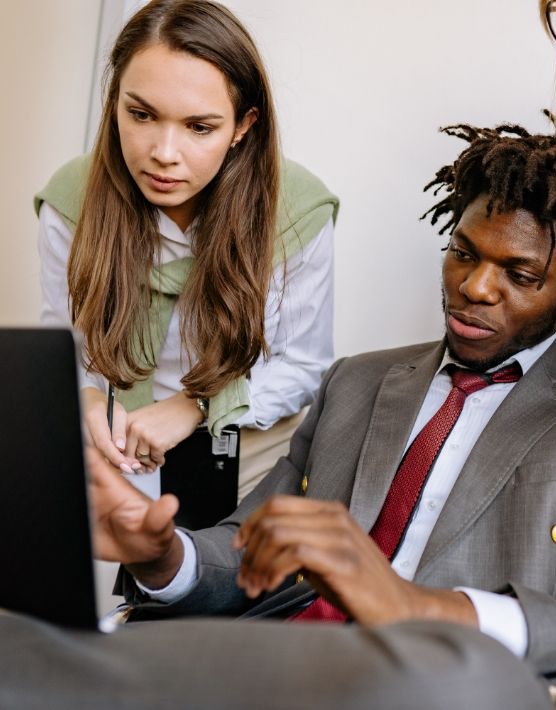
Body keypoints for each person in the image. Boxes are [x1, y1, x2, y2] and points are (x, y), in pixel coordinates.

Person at [84, 114, 556, 684]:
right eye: (464, 254)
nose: (475, 288)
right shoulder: (357, 382)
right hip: (275, 667)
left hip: (436, 686)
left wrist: (427, 608)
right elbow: (251, 549)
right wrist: (165, 557)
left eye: (519, 274)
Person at [35, 0, 338, 501]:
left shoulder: (296, 212)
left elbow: (302, 367)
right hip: (114, 450)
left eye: (199, 127)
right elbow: (67, 340)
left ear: (243, 125)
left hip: (245, 455)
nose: (164, 153)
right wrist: (86, 397)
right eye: (141, 114)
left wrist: (195, 406)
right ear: (115, 102)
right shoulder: (72, 199)